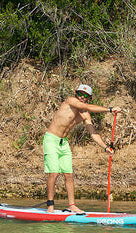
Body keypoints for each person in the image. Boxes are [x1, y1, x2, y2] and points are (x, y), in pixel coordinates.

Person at [43, 84, 121, 214]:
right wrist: (110, 109)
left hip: (64, 143)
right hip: (51, 139)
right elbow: (87, 107)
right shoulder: (70, 101)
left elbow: (93, 133)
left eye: (85, 96)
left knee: (69, 175)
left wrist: (105, 147)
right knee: (54, 173)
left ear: (89, 97)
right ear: (76, 94)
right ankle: (50, 206)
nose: (81, 97)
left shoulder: (85, 115)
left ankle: (72, 205)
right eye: (79, 94)